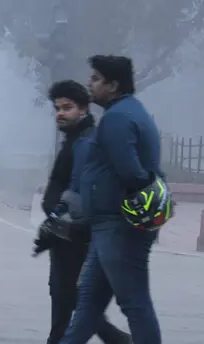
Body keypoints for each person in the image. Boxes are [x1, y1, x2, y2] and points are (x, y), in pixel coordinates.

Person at [60, 55, 165, 344]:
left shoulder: (118, 118)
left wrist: (144, 197)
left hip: (119, 226)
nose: (89, 83)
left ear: (113, 84)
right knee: (88, 307)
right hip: (107, 225)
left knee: (134, 303)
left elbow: (132, 171)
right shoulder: (127, 112)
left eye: (95, 78)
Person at [33, 80, 131, 344]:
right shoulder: (74, 140)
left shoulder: (86, 144)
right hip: (67, 234)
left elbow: (84, 194)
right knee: (68, 301)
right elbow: (57, 186)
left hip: (78, 237)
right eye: (57, 108)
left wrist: (61, 223)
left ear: (84, 109)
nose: (61, 113)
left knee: (69, 299)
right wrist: (52, 220)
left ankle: (121, 341)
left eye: (67, 107)